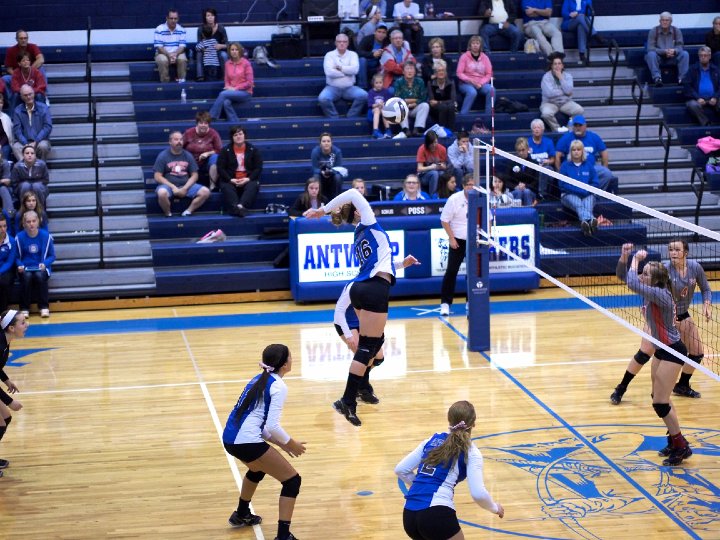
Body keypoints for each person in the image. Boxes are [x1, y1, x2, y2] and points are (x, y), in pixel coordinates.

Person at [304, 188, 404, 427]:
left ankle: (358, 391)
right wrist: (322, 210)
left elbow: (379, 264)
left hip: (361, 288)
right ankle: (347, 400)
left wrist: (402, 264)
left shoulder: (358, 235)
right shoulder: (368, 223)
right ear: (359, 212)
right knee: (367, 349)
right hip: (374, 288)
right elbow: (352, 192)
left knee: (373, 346)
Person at [614, 244, 692, 466]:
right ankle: (674, 440)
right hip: (661, 349)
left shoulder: (659, 294)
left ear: (655, 280)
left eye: (646, 273)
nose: (642, 275)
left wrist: (636, 259)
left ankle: (681, 446)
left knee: (660, 402)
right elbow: (623, 276)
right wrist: (625, 256)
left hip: (673, 350)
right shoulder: (652, 289)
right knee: (658, 397)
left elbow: (631, 281)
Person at [611, 238, 712, 405]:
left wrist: (707, 304)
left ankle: (682, 385)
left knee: (697, 353)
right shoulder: (662, 270)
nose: (673, 253)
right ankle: (621, 388)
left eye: (677, 250)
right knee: (645, 353)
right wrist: (625, 257)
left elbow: (706, 288)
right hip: (659, 318)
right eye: (670, 249)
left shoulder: (695, 267)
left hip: (682, 315)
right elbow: (625, 277)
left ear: (685, 252)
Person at [222, 344, 305, 540]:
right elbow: (273, 426)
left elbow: (258, 423)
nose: (292, 359)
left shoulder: (258, 379)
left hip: (230, 438)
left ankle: (242, 513)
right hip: (246, 442)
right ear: (284, 365)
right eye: (290, 356)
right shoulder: (278, 386)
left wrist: (281, 444)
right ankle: (283, 536)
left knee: (257, 469)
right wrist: (291, 443)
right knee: (292, 481)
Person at [395, 400, 504, 540]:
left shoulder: (431, 440)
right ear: (473, 423)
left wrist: (422, 486)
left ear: (449, 420)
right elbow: (478, 493)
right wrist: (495, 508)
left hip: (409, 514)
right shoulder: (471, 451)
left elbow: (401, 470)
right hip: (436, 512)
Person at [439, 174, 475, 316]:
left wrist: (488, 236)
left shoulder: (480, 198)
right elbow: (444, 220)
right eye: (469, 185)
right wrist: (451, 238)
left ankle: (471, 302)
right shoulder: (454, 199)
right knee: (451, 271)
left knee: (473, 273)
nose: (471, 188)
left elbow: (488, 218)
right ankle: (445, 303)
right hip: (458, 240)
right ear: (464, 186)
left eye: (473, 185)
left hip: (475, 240)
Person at [555, 115, 618, 194]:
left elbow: (604, 152)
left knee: (606, 173)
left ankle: (595, 194)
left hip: (590, 168)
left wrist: (604, 166)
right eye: (575, 125)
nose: (578, 128)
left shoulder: (593, 137)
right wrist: (559, 172)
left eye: (580, 125)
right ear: (573, 127)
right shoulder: (566, 138)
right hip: (573, 168)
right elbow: (557, 155)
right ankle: (578, 193)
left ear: (585, 126)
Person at [153, 131, 210, 217]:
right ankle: (168, 213)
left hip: (186, 185)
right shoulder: (163, 156)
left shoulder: (188, 155)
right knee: (162, 193)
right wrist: (173, 187)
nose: (179, 142)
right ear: (170, 142)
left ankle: (188, 211)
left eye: (181, 139)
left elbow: (195, 175)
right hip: (169, 186)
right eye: (176, 139)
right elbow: (157, 176)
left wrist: (185, 188)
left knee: (205, 192)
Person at [0, 309, 29, 478]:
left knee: (5, 418)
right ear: (11, 328)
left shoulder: (5, 341)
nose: (27, 325)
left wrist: (7, 381)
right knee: (0, 423)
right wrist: (10, 401)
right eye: (22, 322)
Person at [216, 126, 262, 217]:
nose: (238, 136)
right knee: (226, 186)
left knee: (254, 185)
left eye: (240, 134)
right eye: (235, 135)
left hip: (247, 178)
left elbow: (258, 168)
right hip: (231, 179)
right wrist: (230, 179)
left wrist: (248, 179)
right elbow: (220, 168)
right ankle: (239, 209)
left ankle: (239, 206)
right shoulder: (225, 150)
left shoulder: (253, 150)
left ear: (245, 135)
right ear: (232, 137)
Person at [318, 34, 368, 119]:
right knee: (322, 98)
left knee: (364, 95)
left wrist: (340, 68)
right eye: (339, 41)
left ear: (348, 43)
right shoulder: (329, 55)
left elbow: (355, 70)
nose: (342, 43)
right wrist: (346, 73)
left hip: (349, 88)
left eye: (344, 42)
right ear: (335, 43)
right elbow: (329, 72)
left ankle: (352, 116)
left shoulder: (353, 54)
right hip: (332, 87)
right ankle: (334, 118)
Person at [16, 210, 54, 318]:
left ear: (38, 221)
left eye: (33, 221)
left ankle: (43, 307)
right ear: (24, 223)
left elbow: (52, 256)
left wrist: (45, 264)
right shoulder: (19, 237)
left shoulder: (46, 236)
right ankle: (24, 308)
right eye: (28, 222)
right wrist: (19, 265)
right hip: (25, 268)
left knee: (39, 275)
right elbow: (16, 257)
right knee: (27, 276)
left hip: (41, 268)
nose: (31, 224)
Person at [558, 140, 598, 236]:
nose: (576, 152)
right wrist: (580, 191)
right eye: (574, 150)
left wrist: (587, 191)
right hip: (568, 195)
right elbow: (562, 184)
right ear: (570, 152)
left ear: (582, 151)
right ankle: (591, 220)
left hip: (587, 194)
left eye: (578, 149)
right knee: (578, 204)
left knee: (587, 205)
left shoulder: (589, 165)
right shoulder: (564, 166)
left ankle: (585, 224)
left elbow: (595, 182)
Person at [208, 43, 254, 123]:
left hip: (245, 92)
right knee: (226, 102)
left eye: (236, 50)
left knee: (223, 94)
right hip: (231, 92)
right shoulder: (227, 63)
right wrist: (228, 87)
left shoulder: (246, 63)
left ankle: (211, 117)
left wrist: (235, 88)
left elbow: (249, 83)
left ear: (240, 51)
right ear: (229, 51)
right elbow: (226, 80)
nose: (234, 51)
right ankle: (235, 122)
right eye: (232, 50)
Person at [540, 52, 583, 133]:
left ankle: (568, 129)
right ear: (551, 66)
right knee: (546, 114)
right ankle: (557, 129)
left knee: (579, 110)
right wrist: (565, 92)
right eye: (555, 64)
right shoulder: (546, 77)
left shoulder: (568, 76)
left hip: (565, 103)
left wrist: (561, 78)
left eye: (559, 63)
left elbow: (568, 90)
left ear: (562, 66)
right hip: (550, 103)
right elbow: (550, 94)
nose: (557, 66)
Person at [645, 12, 689, 87]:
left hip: (673, 57)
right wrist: (664, 51)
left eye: (667, 20)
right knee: (650, 55)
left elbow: (680, 46)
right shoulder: (653, 31)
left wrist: (674, 51)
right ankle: (657, 79)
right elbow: (650, 48)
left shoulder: (677, 31)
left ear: (671, 21)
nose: (664, 22)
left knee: (685, 54)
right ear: (660, 21)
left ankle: (682, 79)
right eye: (663, 20)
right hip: (659, 58)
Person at [11, 85, 52, 163]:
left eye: (30, 94)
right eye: (25, 95)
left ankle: (39, 167)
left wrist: (36, 141)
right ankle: (26, 167)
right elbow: (17, 130)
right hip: (24, 142)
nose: (28, 97)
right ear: (21, 97)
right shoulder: (17, 111)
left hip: (40, 141)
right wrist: (26, 143)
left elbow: (47, 127)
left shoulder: (44, 108)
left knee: (43, 146)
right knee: (16, 147)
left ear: (34, 94)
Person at [182, 111, 222, 190]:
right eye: (201, 123)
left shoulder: (213, 133)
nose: (203, 125)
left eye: (206, 123)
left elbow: (219, 150)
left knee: (215, 157)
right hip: (190, 161)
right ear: (197, 123)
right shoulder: (189, 133)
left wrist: (208, 153)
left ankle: (212, 185)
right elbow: (180, 146)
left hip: (205, 163)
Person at [456, 35, 494, 116]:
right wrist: (471, 81)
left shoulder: (485, 58)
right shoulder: (464, 57)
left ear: (480, 45)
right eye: (473, 43)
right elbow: (459, 73)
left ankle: (488, 115)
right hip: (466, 83)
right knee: (472, 92)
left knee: (491, 90)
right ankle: (463, 115)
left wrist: (481, 83)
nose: (475, 45)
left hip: (481, 84)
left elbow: (489, 73)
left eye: (477, 43)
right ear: (470, 45)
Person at [683, 46, 720, 127]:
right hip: (697, 99)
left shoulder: (716, 69)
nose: (703, 57)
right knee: (692, 105)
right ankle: (706, 123)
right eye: (701, 55)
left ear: (709, 56)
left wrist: (715, 97)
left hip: (714, 98)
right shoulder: (692, 69)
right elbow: (687, 86)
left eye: (705, 55)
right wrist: (697, 98)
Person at [392, 61, 430, 138]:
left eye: (412, 69)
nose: (410, 71)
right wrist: (413, 100)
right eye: (407, 69)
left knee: (425, 105)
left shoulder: (420, 81)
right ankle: (406, 130)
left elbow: (423, 97)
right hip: (404, 108)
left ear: (415, 71)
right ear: (403, 72)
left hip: (415, 107)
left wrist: (414, 103)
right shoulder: (398, 82)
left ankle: (417, 129)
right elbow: (398, 98)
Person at [501, 137, 539, 206]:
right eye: (519, 150)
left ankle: (528, 211)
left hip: (530, 191)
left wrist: (526, 186)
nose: (521, 153)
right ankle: (516, 211)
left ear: (528, 149)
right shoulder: (512, 163)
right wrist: (516, 186)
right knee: (518, 192)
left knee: (526, 192)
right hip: (515, 190)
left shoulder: (534, 163)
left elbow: (536, 182)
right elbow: (507, 180)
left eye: (523, 150)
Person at [11, 145, 50, 209]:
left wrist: (34, 184)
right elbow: (14, 183)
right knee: (25, 186)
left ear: (35, 155)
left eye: (32, 153)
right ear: (23, 155)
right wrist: (27, 184)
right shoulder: (17, 166)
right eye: (27, 153)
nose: (30, 155)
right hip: (22, 187)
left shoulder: (42, 164)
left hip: (39, 186)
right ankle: (24, 209)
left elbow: (46, 180)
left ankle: (40, 209)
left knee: (36, 186)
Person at [154, 9, 187, 83]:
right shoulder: (159, 29)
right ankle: (165, 83)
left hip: (177, 53)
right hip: (162, 53)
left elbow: (182, 47)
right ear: (167, 18)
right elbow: (159, 47)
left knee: (182, 59)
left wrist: (175, 54)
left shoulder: (182, 30)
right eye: (171, 18)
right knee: (163, 60)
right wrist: (169, 55)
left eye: (175, 18)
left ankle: (181, 82)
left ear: (178, 19)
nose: (173, 20)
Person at [561, 0, 599, 65]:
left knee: (581, 26)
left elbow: (589, 12)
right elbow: (563, 13)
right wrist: (570, 15)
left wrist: (577, 14)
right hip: (569, 23)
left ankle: (582, 54)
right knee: (580, 17)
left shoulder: (587, 0)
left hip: (583, 23)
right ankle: (594, 34)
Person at [195, 8, 228, 81]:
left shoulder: (221, 28)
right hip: (205, 51)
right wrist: (203, 48)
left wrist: (221, 46)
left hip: (218, 50)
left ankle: (226, 76)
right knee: (199, 54)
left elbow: (227, 44)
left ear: (215, 17)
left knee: (224, 55)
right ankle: (200, 76)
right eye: (208, 15)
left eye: (212, 15)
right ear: (205, 17)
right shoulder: (201, 29)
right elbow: (198, 43)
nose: (210, 17)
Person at [527, 118, 556, 198]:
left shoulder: (548, 142)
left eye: (538, 127)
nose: (536, 130)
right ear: (532, 130)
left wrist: (547, 161)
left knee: (545, 170)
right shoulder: (527, 142)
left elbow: (553, 160)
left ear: (542, 130)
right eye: (534, 128)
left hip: (546, 167)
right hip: (533, 168)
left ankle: (541, 193)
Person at [311, 132, 344, 199]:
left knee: (338, 177)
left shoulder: (337, 152)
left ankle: (337, 200)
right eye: (324, 141)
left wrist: (330, 172)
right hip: (321, 175)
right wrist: (322, 172)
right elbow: (314, 169)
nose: (326, 143)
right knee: (316, 177)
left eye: (328, 141)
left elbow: (339, 168)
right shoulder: (315, 152)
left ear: (331, 143)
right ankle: (318, 200)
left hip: (332, 175)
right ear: (320, 143)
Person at [357, 21, 390, 90]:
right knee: (362, 60)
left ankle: (383, 88)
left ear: (386, 34)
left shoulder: (387, 42)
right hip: (366, 65)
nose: (381, 34)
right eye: (379, 32)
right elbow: (358, 52)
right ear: (375, 32)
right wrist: (372, 54)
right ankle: (363, 87)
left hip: (378, 66)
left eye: (383, 32)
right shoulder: (367, 39)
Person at [416, 130, 448, 196]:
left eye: (435, 142)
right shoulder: (422, 149)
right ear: (427, 143)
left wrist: (442, 166)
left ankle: (443, 195)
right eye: (431, 143)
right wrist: (431, 167)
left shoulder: (442, 149)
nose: (434, 145)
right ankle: (433, 196)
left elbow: (445, 166)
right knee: (434, 173)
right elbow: (419, 168)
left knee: (443, 174)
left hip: (438, 171)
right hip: (424, 175)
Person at [427, 61, 457, 131]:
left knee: (451, 106)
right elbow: (432, 101)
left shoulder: (451, 83)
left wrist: (439, 102)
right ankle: (442, 130)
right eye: (439, 71)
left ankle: (451, 130)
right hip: (435, 109)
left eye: (443, 70)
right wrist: (441, 103)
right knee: (444, 107)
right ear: (435, 73)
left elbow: (453, 100)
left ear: (446, 72)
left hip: (448, 106)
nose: (441, 72)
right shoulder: (430, 83)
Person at [367, 73, 394, 139]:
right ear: (373, 84)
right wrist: (378, 105)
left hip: (383, 108)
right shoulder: (371, 92)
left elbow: (388, 103)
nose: (378, 84)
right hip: (374, 109)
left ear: (383, 83)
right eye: (376, 83)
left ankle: (388, 130)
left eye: (380, 83)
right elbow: (371, 105)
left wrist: (383, 104)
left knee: (383, 109)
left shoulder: (386, 91)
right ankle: (375, 130)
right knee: (377, 110)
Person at [0, 216, 16, 313]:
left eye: (4, 226)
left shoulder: (12, 241)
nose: (3, 229)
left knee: (3, 282)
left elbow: (10, 262)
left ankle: (2, 312)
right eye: (0, 227)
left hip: (6, 270)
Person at [0, 94, 13, 161]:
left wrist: (0, 145)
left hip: (3, 144)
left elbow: (7, 136)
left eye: (1, 103)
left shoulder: (6, 117)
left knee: (5, 150)